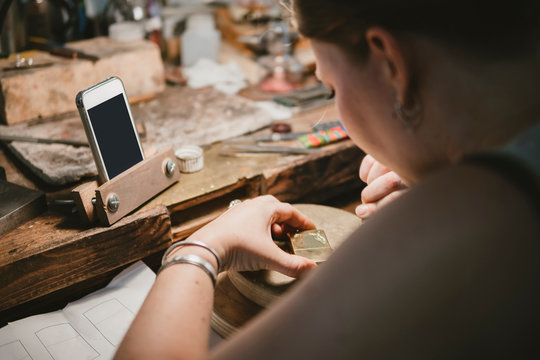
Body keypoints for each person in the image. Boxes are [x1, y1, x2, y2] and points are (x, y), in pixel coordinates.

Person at [115, 0, 540, 358]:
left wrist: (204, 248)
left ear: (391, 63)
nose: (337, 110)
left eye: (332, 89)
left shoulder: (478, 214)